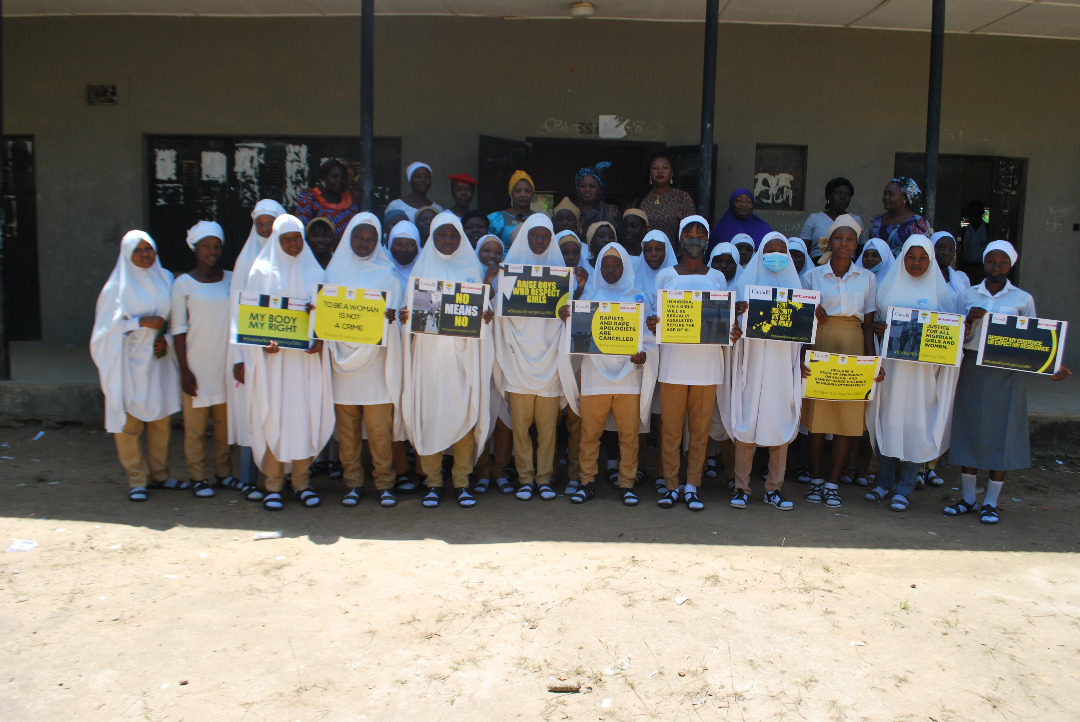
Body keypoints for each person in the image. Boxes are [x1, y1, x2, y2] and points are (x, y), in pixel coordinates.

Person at [946, 241, 1071, 524]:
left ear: (1010, 264)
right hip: (972, 367)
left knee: (1001, 434)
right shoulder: (967, 295)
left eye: (1002, 261)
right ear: (984, 262)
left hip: (1007, 373)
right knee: (969, 429)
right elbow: (953, 336)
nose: (996, 266)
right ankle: (968, 498)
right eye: (991, 260)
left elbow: (1033, 341)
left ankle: (990, 502)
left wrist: (1050, 366)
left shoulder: (1022, 299)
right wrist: (968, 321)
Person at [399, 211, 495, 509]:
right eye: (442, 235)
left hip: (463, 360)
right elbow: (409, 316)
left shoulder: (473, 270)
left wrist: (487, 314)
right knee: (430, 418)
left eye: (453, 235)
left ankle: (462, 482)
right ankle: (433, 482)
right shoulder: (421, 272)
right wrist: (405, 318)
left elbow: (484, 313)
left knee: (464, 415)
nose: (448, 240)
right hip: (428, 361)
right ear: (432, 237)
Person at [241, 215, 335, 511]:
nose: (293, 244)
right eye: (286, 239)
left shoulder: (316, 271)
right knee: (274, 416)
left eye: (297, 238)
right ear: (276, 241)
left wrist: (320, 338)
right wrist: (261, 344)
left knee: (305, 418)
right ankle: (272, 484)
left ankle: (301, 482)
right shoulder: (260, 272)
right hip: (275, 364)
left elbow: (328, 318)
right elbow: (250, 320)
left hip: (306, 364)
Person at [864, 235, 960, 512]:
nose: (916, 263)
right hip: (891, 372)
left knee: (917, 425)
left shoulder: (944, 296)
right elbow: (873, 324)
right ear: (902, 257)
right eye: (910, 257)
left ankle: (905, 487)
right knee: (887, 422)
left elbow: (952, 336)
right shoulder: (884, 288)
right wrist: (880, 329)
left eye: (922, 258)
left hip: (922, 376)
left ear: (930, 261)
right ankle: (884, 483)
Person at [557, 242, 656, 505]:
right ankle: (587, 481)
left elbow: (649, 338)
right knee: (590, 434)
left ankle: (627, 483)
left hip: (629, 377)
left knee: (629, 435)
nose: (611, 270)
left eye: (616, 265)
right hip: (594, 375)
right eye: (606, 265)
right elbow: (575, 333)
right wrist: (568, 315)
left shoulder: (639, 296)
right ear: (598, 267)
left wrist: (643, 353)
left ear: (625, 267)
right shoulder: (587, 295)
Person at [91, 230, 182, 502]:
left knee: (160, 419)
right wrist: (139, 323)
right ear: (127, 254)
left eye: (149, 249)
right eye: (138, 250)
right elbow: (103, 332)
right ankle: (136, 479)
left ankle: (160, 475)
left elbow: (174, 318)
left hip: (158, 359)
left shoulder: (166, 278)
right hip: (128, 362)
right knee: (130, 423)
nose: (145, 255)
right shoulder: (116, 288)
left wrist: (164, 339)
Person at [646, 216, 728, 511]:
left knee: (700, 430)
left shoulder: (717, 277)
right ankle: (670, 485)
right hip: (673, 364)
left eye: (701, 233)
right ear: (680, 239)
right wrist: (653, 323)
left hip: (707, 366)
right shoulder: (666, 275)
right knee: (670, 429)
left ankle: (692, 485)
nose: (695, 238)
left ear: (708, 239)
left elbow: (721, 317)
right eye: (690, 233)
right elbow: (656, 316)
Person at [323, 213, 405, 508]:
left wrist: (390, 321)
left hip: (376, 366)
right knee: (348, 431)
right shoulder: (333, 274)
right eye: (358, 237)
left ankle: (384, 482)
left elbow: (396, 316)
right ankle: (353, 483)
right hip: (341, 364)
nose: (364, 243)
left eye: (370, 239)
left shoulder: (389, 274)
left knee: (380, 430)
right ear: (349, 237)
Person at [802, 215, 881, 508]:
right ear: (829, 242)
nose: (844, 244)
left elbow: (869, 324)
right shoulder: (812, 276)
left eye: (849, 239)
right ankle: (816, 480)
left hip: (853, 343)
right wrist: (811, 312)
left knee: (847, 418)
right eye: (838, 238)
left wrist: (873, 362)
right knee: (818, 417)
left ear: (856, 244)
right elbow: (799, 316)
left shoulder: (867, 279)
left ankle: (833, 483)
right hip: (820, 341)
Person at [493, 214, 569, 502]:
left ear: (551, 239)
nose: (539, 241)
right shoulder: (508, 274)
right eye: (534, 235)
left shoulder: (561, 275)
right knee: (521, 429)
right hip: (517, 361)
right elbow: (497, 315)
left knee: (548, 430)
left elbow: (570, 319)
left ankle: (544, 478)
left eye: (544, 236)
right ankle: (525, 478)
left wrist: (567, 315)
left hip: (549, 362)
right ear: (525, 236)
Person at [724, 232, 802, 511]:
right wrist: (736, 314)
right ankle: (742, 486)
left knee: (780, 423)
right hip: (752, 366)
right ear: (761, 253)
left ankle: (774, 488)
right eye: (771, 250)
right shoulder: (745, 288)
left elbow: (804, 334)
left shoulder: (797, 287)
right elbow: (731, 331)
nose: (777, 255)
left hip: (782, 367)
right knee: (747, 424)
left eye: (783, 250)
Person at [171, 221, 234, 499]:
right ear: (195, 249)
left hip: (226, 365)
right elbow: (178, 330)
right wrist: (184, 370)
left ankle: (223, 473)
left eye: (217, 246)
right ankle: (199, 476)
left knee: (224, 427)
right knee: (195, 429)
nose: (212, 251)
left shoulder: (232, 278)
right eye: (206, 246)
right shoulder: (183, 284)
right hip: (197, 366)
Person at [227, 200, 285, 502]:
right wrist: (239, 356)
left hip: (283, 353)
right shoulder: (246, 262)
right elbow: (237, 313)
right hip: (251, 353)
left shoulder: (289, 256)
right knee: (251, 414)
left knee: (280, 412)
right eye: (260, 224)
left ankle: (282, 476)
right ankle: (249, 479)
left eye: (270, 224)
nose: (265, 230)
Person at [472, 234, 515, 495]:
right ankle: (482, 471)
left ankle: (500, 469)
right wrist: (486, 285)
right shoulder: (469, 276)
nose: (491, 256)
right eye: (486, 251)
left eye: (497, 252)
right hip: (479, 360)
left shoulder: (512, 280)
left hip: (505, 358)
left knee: (503, 420)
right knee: (480, 418)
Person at [634, 150, 696, 246]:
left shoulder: (682, 198)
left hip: (674, 258)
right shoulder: (639, 200)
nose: (660, 171)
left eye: (665, 167)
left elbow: (690, 233)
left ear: (672, 171)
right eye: (655, 168)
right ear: (649, 172)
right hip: (643, 257)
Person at [295, 158, 361, 239]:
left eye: (343, 177)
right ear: (324, 177)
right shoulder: (310, 198)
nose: (339, 181)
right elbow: (303, 229)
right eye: (334, 177)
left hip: (348, 250)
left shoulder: (353, 197)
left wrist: (355, 176)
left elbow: (373, 202)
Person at [800, 177, 862, 262]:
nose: (843, 197)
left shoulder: (856, 220)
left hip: (848, 269)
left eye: (847, 195)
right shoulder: (814, 219)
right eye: (839, 193)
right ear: (828, 195)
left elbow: (860, 252)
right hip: (817, 266)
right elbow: (803, 250)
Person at [867, 177, 932, 256]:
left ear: (904, 198)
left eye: (891, 194)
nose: (885, 197)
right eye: (885, 194)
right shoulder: (876, 221)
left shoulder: (918, 223)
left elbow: (920, 253)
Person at [708, 188, 772, 254]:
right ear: (732, 203)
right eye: (739, 201)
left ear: (753, 205)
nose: (744, 205)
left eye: (748, 202)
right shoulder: (722, 229)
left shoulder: (763, 228)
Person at [487, 170, 537, 246]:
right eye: (517, 191)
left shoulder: (539, 219)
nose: (523, 194)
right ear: (511, 193)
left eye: (528, 191)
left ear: (532, 193)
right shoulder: (496, 219)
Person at [574, 162, 620, 235]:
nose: (587, 189)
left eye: (592, 186)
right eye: (583, 186)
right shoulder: (569, 209)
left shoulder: (611, 211)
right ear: (577, 189)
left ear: (600, 189)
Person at [932, 231, 971, 297]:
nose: (946, 253)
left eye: (951, 249)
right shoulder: (922, 277)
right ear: (931, 249)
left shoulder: (962, 278)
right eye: (941, 248)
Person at [960, 200, 988, 282]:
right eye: (972, 211)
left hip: (982, 268)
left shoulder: (988, 230)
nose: (974, 214)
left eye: (977, 211)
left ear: (982, 212)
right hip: (967, 268)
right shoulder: (964, 231)